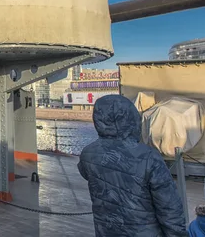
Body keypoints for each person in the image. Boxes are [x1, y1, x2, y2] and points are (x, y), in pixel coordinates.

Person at [78, 94, 187, 236]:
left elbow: (85, 173)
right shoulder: (149, 156)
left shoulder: (88, 153)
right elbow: (169, 207)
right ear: (131, 118)